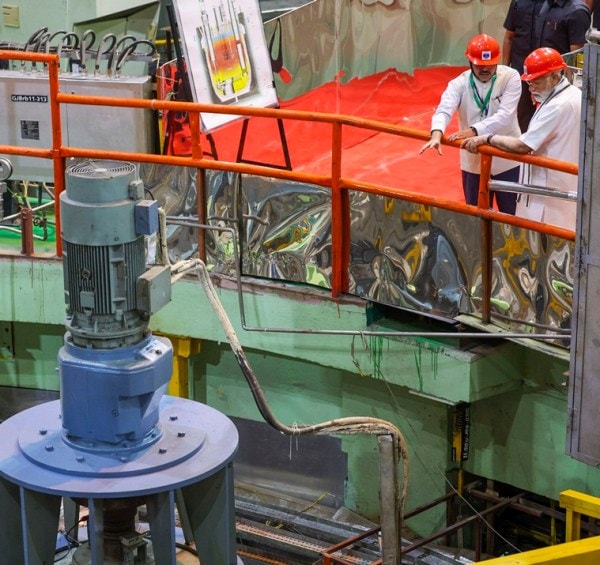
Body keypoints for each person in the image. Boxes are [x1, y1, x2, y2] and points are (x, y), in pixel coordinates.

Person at [461, 47, 581, 230]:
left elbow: (522, 145)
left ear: (555, 76)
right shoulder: (574, 94)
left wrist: (487, 138)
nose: (531, 88)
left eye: (536, 82)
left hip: (548, 196)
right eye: (529, 83)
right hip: (565, 186)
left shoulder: (556, 106)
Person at [420, 34, 522, 214]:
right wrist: (437, 132)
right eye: (479, 65)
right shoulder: (458, 83)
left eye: (490, 64)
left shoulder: (510, 77)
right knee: (476, 216)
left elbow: (505, 115)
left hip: (507, 159)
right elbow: (444, 108)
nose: (485, 69)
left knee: (515, 216)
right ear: (469, 61)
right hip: (473, 161)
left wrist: (474, 130)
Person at [502, 0, 590, 131]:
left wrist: (570, 90)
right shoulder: (545, 7)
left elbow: (577, 58)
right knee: (527, 120)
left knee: (557, 126)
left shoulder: (577, 11)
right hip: (536, 78)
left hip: (558, 83)